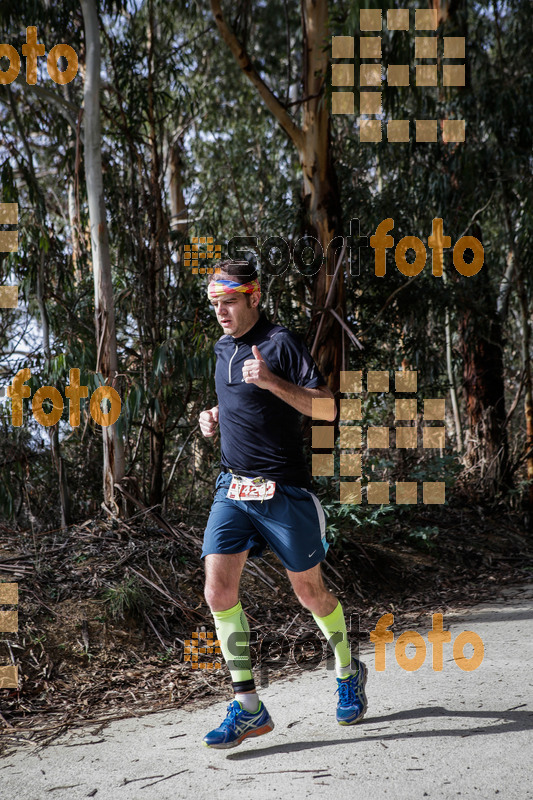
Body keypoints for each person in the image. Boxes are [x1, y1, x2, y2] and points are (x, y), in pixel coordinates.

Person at [198, 260, 367, 749]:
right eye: (214, 304)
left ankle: (346, 669)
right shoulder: (220, 349)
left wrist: (272, 381)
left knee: (311, 594)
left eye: (229, 302)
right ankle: (249, 708)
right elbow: (237, 409)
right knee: (217, 591)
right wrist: (212, 419)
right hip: (233, 488)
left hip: (284, 490)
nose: (221, 313)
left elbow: (329, 408)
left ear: (253, 297)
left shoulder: (281, 343)